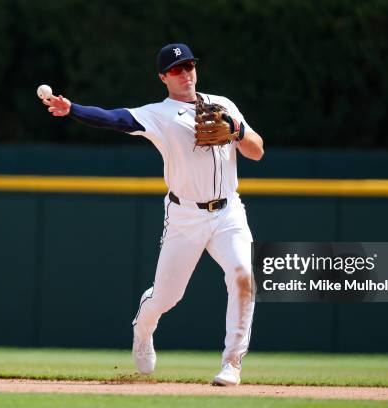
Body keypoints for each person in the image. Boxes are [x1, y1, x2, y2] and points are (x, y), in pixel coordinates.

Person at [43, 43, 264, 386]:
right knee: (167, 296)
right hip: (185, 217)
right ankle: (143, 328)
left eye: (189, 66)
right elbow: (114, 119)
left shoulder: (224, 106)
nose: (185, 73)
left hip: (228, 212)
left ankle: (232, 363)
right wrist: (72, 108)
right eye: (176, 69)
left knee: (243, 276)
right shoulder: (159, 114)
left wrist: (237, 129)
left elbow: (257, 150)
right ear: (163, 77)